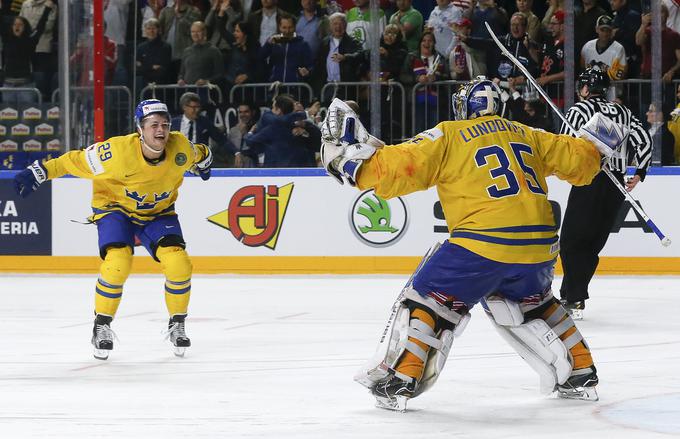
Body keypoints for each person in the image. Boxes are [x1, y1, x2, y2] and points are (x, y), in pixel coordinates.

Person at [319, 76, 628, 411]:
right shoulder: (528, 133)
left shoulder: (449, 134)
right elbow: (581, 160)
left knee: (429, 297)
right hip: (539, 245)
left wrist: (348, 156)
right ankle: (580, 369)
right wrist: (596, 141)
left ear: (463, 107)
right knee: (534, 302)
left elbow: (398, 168)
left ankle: (402, 376)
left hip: (483, 241)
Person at [12, 99, 213, 360]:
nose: (161, 130)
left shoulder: (180, 148)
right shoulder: (115, 153)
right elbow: (73, 161)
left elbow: (200, 152)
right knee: (118, 262)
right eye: (153, 125)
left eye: (164, 124)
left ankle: (177, 323)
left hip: (158, 212)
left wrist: (205, 162)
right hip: (114, 208)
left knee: (179, 263)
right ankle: (102, 326)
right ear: (140, 129)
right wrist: (39, 171)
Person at [558, 67, 652, 320]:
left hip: (590, 180)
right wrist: (640, 171)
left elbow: (566, 144)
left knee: (571, 240)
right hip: (616, 184)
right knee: (592, 243)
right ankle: (572, 295)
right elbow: (643, 140)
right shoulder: (623, 111)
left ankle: (574, 297)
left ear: (585, 88)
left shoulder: (579, 110)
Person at [171, 92, 238, 167]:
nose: (196, 110)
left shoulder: (204, 122)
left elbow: (221, 139)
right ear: (184, 107)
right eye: (193, 107)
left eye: (198, 107)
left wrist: (236, 152)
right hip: (178, 162)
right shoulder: (173, 123)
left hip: (200, 162)